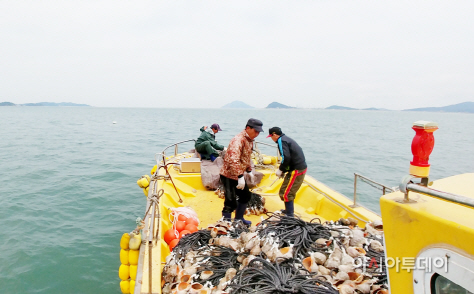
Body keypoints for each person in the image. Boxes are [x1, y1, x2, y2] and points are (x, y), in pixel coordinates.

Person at [219, 118, 263, 225]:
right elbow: (233, 159)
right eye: (255, 131)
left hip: (239, 174)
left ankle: (239, 219)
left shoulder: (249, 140)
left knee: (245, 196)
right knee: (230, 201)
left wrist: (248, 171)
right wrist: (240, 176)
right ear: (248, 128)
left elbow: (245, 157)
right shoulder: (238, 140)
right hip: (228, 175)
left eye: (259, 132)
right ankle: (226, 224)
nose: (257, 134)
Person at [267, 127, 307, 217]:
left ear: (274, 135)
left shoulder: (281, 141)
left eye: (271, 136)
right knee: (283, 191)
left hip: (297, 169)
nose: (271, 139)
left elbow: (286, 157)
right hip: (294, 167)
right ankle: (288, 210)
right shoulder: (286, 139)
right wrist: (285, 170)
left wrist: (281, 169)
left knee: (287, 193)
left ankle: (290, 215)